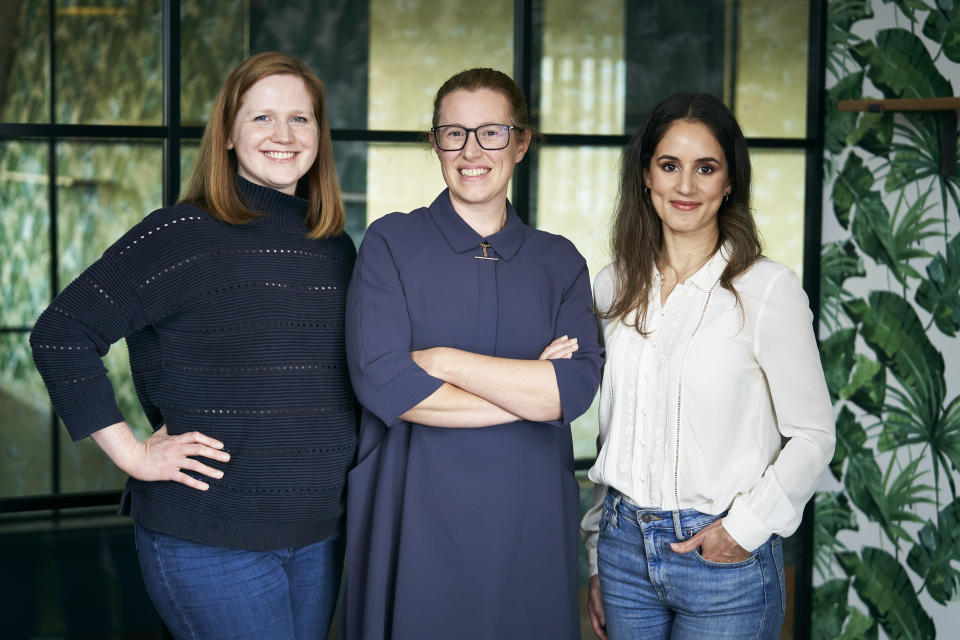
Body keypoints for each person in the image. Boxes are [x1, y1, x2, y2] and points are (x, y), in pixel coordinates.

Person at [30, 52, 356, 640]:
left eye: (300, 119)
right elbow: (61, 333)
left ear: (319, 134)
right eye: (261, 118)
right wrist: (131, 454)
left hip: (317, 537)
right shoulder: (178, 234)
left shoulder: (332, 245)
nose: (283, 135)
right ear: (228, 134)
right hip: (210, 541)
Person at [339, 67, 603, 640]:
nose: (471, 150)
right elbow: (384, 384)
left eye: (492, 132)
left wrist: (441, 361)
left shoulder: (560, 262)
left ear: (522, 141)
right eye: (453, 133)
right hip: (411, 512)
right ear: (434, 143)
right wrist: (532, 390)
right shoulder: (390, 242)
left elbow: (575, 391)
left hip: (527, 519)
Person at [580, 92, 836, 640]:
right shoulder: (612, 285)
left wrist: (744, 529)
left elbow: (814, 435)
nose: (686, 186)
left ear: (729, 182)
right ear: (646, 176)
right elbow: (615, 433)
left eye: (706, 168)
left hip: (725, 560)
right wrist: (601, 555)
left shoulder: (767, 290)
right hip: (624, 553)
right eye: (669, 165)